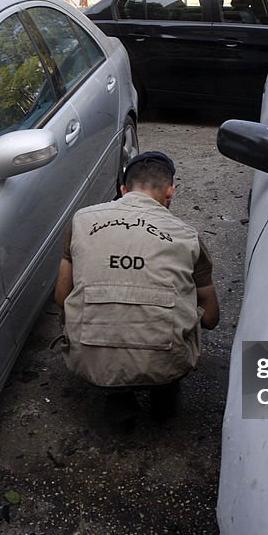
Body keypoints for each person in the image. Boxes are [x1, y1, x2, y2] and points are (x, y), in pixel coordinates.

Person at [55, 151, 219, 414]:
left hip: (90, 361)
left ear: (122, 189)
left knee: (108, 368)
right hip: (168, 362)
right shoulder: (188, 236)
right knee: (169, 364)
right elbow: (211, 318)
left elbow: (62, 298)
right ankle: (163, 400)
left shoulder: (81, 221)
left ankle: (118, 402)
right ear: (170, 192)